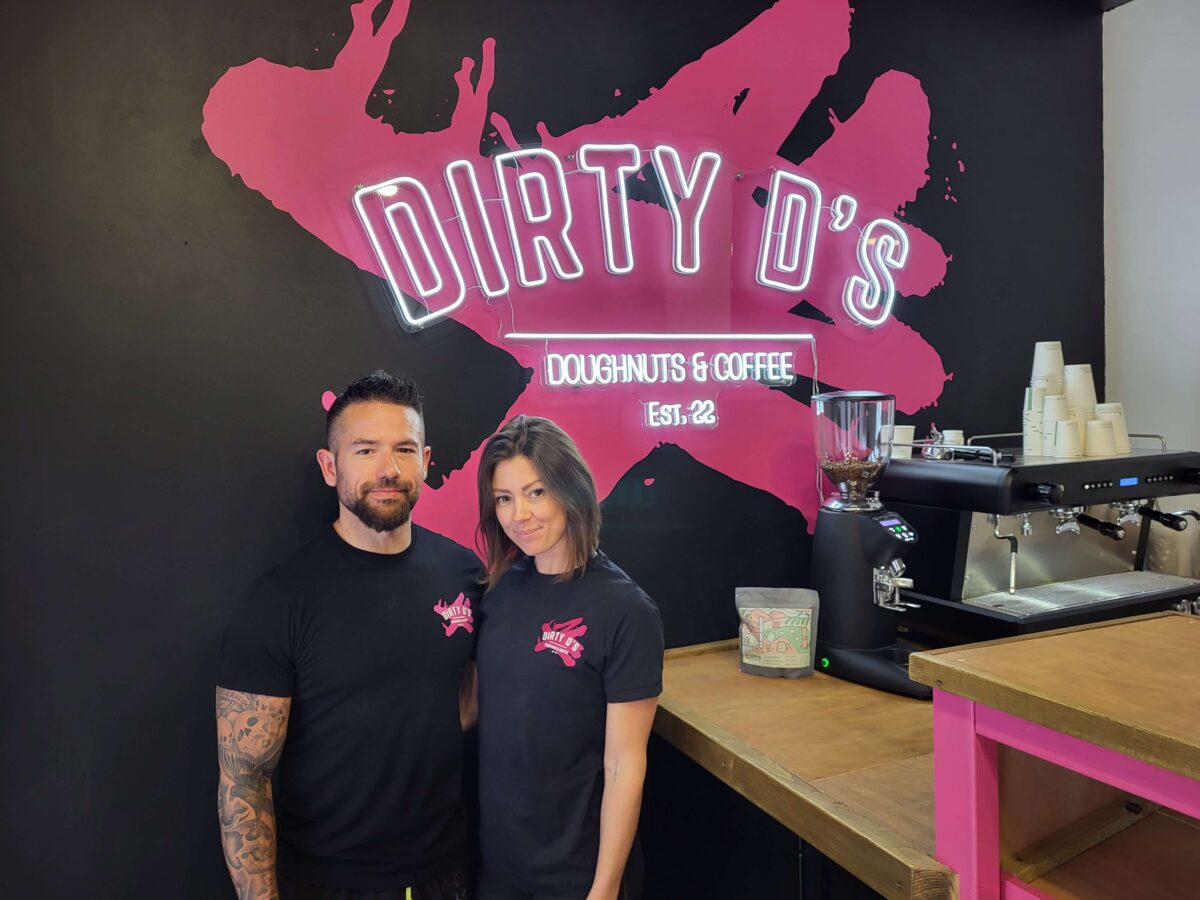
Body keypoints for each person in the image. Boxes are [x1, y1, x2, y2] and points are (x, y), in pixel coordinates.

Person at [215, 370, 481, 900]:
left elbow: (469, 701)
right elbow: (245, 776)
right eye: (365, 451)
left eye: (405, 449)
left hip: (446, 873)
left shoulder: (465, 575)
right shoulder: (282, 599)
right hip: (326, 882)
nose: (389, 469)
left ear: (427, 464)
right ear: (329, 466)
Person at [472, 415, 665, 900]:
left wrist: (603, 890)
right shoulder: (498, 595)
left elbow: (625, 765)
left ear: (571, 488)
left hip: (577, 875)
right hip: (498, 868)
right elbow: (480, 710)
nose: (520, 515)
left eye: (536, 492)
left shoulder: (626, 610)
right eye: (504, 498)